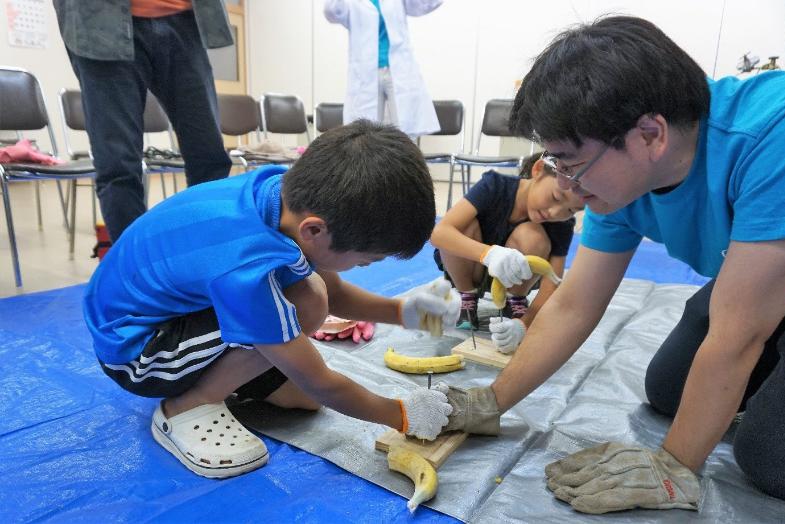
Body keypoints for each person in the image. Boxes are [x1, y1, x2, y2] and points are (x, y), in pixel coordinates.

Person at [440, 15, 785, 514]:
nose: (564, 186)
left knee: (772, 458)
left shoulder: (780, 135)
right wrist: (493, 401)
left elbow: (736, 337)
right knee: (669, 390)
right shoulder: (618, 175)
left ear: (650, 134)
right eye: (555, 162)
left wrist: (675, 466)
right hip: (761, 280)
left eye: (570, 162)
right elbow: (573, 305)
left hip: (778, 282)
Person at [83, 120, 460, 479]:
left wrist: (403, 311)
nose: (363, 267)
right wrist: (402, 415)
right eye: (367, 260)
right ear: (315, 230)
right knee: (308, 303)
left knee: (301, 401)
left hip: (178, 310)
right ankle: (186, 406)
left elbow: (336, 292)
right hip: (139, 351)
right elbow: (322, 382)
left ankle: (217, 377)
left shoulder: (285, 197)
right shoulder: (248, 266)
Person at [53, 0, 234, 242]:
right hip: (99, 23)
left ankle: (212, 253)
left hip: (186, 19)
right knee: (118, 166)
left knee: (209, 157)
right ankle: (134, 271)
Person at [430, 156, 583, 353]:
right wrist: (489, 254)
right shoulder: (494, 186)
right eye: (555, 197)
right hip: (472, 268)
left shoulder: (561, 224)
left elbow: (552, 283)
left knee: (533, 236)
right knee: (461, 226)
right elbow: (439, 233)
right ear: (537, 170)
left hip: (516, 280)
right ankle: (467, 296)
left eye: (571, 210)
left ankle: (515, 300)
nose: (555, 212)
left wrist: (524, 325)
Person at [323, 0, 441, 136]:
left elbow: (428, 4)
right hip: (365, 76)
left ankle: (402, 157)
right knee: (366, 134)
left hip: (398, 72)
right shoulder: (353, 3)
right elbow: (331, 12)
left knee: (404, 130)